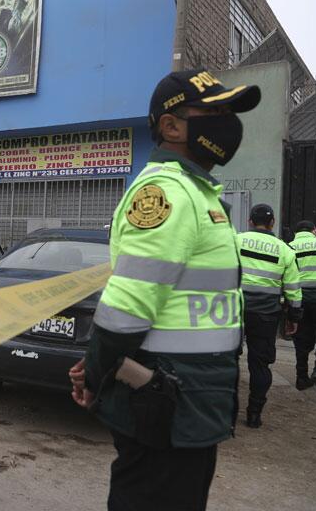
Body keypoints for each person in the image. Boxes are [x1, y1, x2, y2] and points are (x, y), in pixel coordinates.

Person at [69, 68, 261, 511]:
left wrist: (95, 366)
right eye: (214, 111)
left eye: (229, 110)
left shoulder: (199, 193)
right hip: (165, 404)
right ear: (170, 126)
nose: (228, 121)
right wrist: (96, 379)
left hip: (188, 400)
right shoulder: (167, 192)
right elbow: (125, 312)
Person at [237, 204, 302, 427]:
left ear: (249, 221)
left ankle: (227, 415)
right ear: (272, 222)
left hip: (233, 310)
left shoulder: (236, 241)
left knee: (227, 361)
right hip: (266, 314)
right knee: (260, 364)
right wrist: (294, 317)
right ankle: (254, 414)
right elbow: (293, 287)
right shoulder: (285, 250)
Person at [288, 220, 316, 397]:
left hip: (300, 300)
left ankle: (301, 377)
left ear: (296, 233)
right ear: (314, 230)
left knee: (301, 340)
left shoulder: (288, 247)